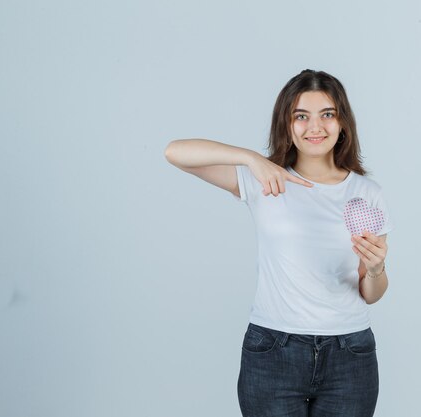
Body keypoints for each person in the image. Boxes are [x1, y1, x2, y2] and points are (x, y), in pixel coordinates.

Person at [165, 69, 394, 417]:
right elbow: (175, 152)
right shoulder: (264, 180)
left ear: (343, 122)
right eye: (301, 116)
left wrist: (376, 268)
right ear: (286, 124)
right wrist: (251, 158)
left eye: (327, 115)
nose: (314, 127)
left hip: (350, 355)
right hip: (274, 350)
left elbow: (371, 293)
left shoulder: (367, 193)